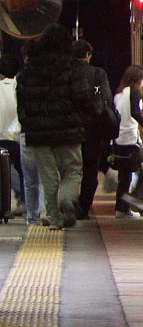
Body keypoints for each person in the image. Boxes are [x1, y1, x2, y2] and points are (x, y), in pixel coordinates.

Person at [16, 24, 102, 229]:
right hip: (68, 131)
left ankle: (54, 219)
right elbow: (83, 97)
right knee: (72, 171)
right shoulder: (72, 67)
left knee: (48, 177)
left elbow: (22, 101)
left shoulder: (29, 69)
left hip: (38, 134)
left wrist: (27, 123)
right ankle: (66, 199)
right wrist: (92, 113)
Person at [72, 39, 117, 219]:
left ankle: (69, 203)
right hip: (92, 131)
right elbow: (106, 98)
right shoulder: (98, 74)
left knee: (70, 169)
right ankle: (83, 208)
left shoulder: (65, 73)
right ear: (88, 55)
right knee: (90, 169)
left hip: (69, 130)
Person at [112, 64, 143, 217]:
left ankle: (120, 209)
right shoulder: (134, 92)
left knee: (125, 175)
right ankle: (137, 197)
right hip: (131, 139)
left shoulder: (119, 94)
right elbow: (136, 113)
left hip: (119, 139)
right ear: (136, 80)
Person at [0, 52, 20, 215]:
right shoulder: (20, 86)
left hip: (0, 139)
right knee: (22, 171)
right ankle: (26, 204)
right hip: (17, 139)